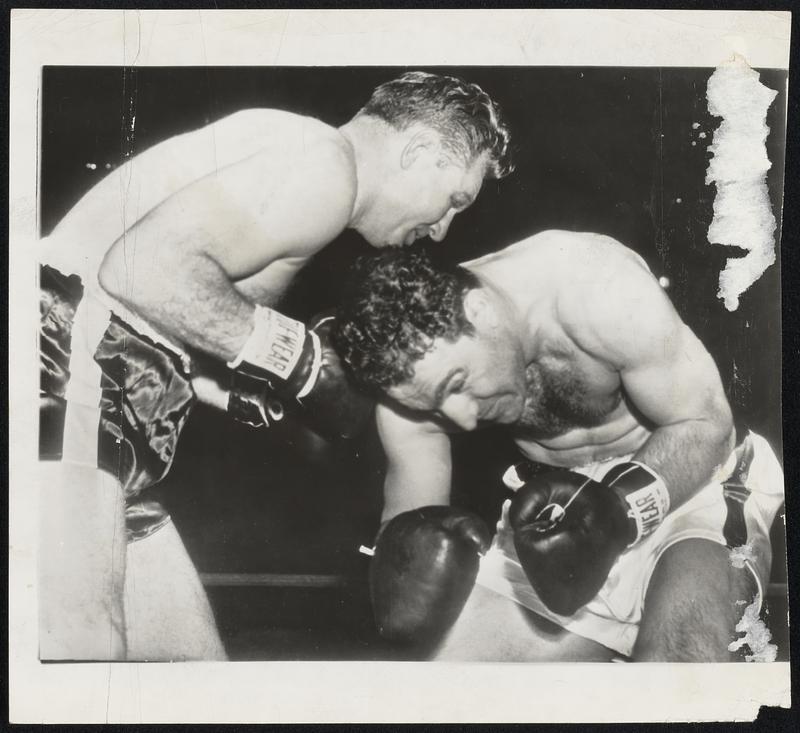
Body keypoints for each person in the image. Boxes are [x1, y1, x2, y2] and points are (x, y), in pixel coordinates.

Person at [38, 71, 514, 661]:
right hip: (61, 362)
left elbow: (159, 321)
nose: (442, 229)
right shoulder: (324, 165)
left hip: (116, 395)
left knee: (193, 673)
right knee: (80, 643)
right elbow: (138, 271)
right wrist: (301, 361)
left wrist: (252, 391)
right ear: (417, 150)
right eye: (454, 199)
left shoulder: (297, 162)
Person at [333, 231, 785, 662]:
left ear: (481, 310)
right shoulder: (405, 395)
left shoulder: (594, 287)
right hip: (554, 518)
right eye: (435, 405)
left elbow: (706, 424)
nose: (462, 418)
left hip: (694, 484)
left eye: (458, 383)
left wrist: (615, 515)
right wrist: (403, 577)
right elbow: (408, 546)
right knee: (441, 692)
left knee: (680, 670)